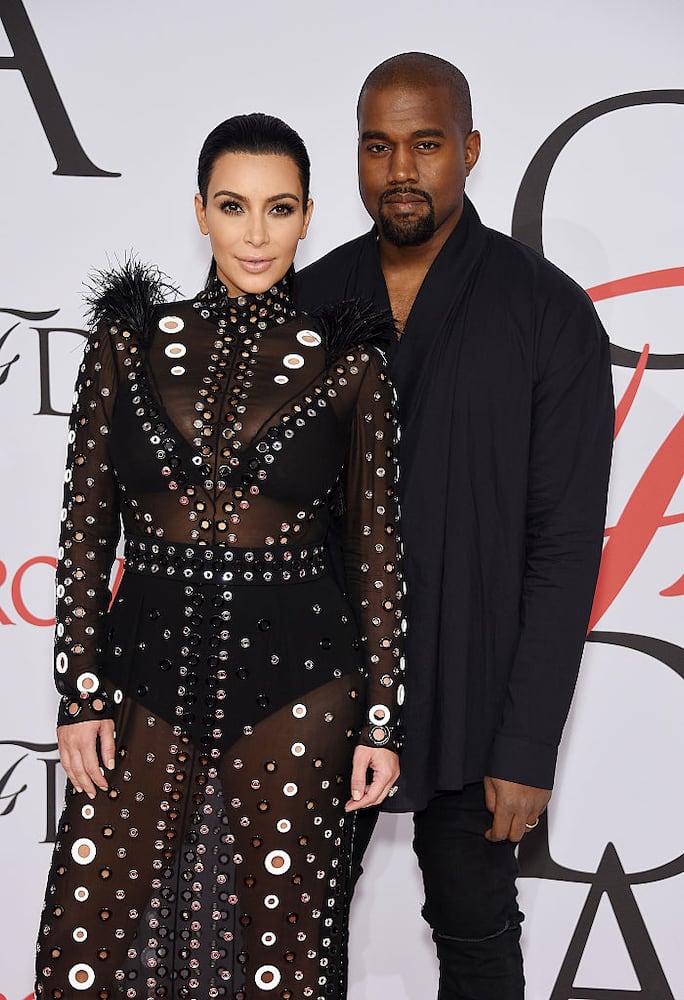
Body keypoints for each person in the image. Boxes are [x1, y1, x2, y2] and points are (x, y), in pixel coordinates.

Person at [35, 112, 405, 1000]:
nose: (256, 234)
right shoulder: (126, 344)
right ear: (200, 211)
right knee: (88, 948)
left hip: (302, 692)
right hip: (140, 680)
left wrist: (381, 720)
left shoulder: (351, 365)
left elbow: (376, 551)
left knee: (280, 954)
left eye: (280, 208)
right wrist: (80, 691)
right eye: (234, 206)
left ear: (308, 215)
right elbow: (85, 531)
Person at [296, 53, 614, 999]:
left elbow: (564, 549)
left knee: (477, 938)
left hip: (477, 697)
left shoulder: (547, 311)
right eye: (378, 146)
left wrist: (526, 745)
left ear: (469, 150)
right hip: (320, 693)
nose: (401, 170)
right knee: (290, 935)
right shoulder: (307, 305)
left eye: (426, 144)